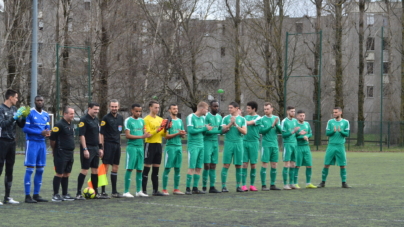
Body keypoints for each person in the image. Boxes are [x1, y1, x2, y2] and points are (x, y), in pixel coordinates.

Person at [75, 102, 107, 200]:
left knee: (95, 170)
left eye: (98, 109)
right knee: (85, 170)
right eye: (95, 109)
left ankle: (96, 193)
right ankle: (78, 193)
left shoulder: (96, 120)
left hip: (96, 148)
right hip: (87, 148)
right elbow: (82, 135)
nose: (96, 111)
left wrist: (100, 147)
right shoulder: (83, 120)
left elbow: (98, 134)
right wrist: (85, 149)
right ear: (89, 108)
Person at [0, 89, 26, 205]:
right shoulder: (1, 109)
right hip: (2, 141)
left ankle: (7, 197)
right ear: (10, 97)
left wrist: (24, 116)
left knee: (9, 169)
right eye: (16, 97)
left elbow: (21, 125)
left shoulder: (15, 109)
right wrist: (14, 118)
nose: (17, 99)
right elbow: (3, 124)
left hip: (12, 142)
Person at [23, 95, 51, 203]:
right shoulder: (30, 113)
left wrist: (47, 132)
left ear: (44, 102)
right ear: (35, 102)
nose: (40, 102)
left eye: (41, 100)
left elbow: (46, 128)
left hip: (42, 144)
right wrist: (40, 132)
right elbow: (25, 129)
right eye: (38, 100)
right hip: (32, 143)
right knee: (30, 169)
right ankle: (27, 196)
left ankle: (36, 194)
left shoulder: (46, 115)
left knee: (40, 169)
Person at [317, 107, 351, 188]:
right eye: (333, 112)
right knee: (326, 164)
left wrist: (341, 131)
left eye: (336, 112)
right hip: (331, 145)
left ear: (340, 112)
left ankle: (344, 183)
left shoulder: (346, 122)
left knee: (342, 165)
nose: (334, 114)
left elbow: (347, 134)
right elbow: (327, 133)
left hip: (340, 146)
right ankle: (323, 182)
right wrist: (333, 131)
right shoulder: (330, 122)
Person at [123, 104, 150, 198]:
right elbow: (127, 135)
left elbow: (145, 132)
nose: (138, 113)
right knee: (129, 168)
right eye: (136, 111)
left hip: (140, 147)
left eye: (140, 111)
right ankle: (126, 191)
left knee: (140, 169)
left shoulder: (142, 121)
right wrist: (141, 137)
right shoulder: (128, 120)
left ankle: (139, 191)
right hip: (132, 147)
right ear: (132, 111)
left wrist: (148, 134)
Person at [50, 106, 76, 202]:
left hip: (70, 153)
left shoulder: (72, 124)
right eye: (71, 113)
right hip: (61, 152)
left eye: (73, 113)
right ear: (65, 114)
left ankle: (65, 194)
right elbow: (52, 139)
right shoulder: (59, 125)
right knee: (59, 173)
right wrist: (55, 150)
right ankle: (55, 195)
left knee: (67, 173)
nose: (72, 115)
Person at [185, 101, 212, 195]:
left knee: (199, 167)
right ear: (202, 109)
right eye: (207, 109)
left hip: (201, 145)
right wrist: (205, 129)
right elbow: (191, 130)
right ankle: (188, 188)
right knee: (192, 167)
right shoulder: (190, 117)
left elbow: (203, 132)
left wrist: (207, 129)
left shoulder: (203, 118)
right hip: (193, 145)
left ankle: (195, 188)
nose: (207, 112)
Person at [100, 99, 124, 198]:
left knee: (115, 167)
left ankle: (114, 192)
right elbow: (101, 133)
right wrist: (101, 147)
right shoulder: (105, 118)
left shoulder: (120, 118)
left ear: (118, 107)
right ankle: (103, 192)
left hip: (117, 145)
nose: (114, 108)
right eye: (112, 106)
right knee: (105, 168)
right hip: (108, 145)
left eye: (116, 106)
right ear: (109, 107)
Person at [221, 102, 247, 192]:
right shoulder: (225, 118)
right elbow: (223, 131)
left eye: (231, 107)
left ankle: (238, 186)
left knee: (238, 165)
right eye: (229, 107)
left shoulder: (242, 119)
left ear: (236, 108)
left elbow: (244, 132)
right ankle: (223, 186)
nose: (229, 109)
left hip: (239, 143)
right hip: (228, 143)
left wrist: (235, 124)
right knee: (226, 164)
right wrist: (230, 124)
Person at [162, 104, 186, 195]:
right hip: (170, 147)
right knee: (167, 168)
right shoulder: (167, 121)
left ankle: (176, 189)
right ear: (169, 110)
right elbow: (166, 136)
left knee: (177, 168)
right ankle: (164, 189)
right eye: (173, 109)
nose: (176, 110)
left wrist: (182, 133)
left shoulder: (180, 121)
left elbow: (183, 136)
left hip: (179, 147)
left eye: (176, 108)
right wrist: (177, 133)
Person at [143, 101, 166, 196]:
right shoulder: (146, 119)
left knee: (156, 169)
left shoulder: (160, 119)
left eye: (158, 108)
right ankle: (143, 191)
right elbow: (148, 134)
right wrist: (159, 129)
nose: (157, 109)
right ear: (150, 108)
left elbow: (163, 134)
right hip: (150, 145)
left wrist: (166, 128)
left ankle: (155, 190)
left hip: (158, 145)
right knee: (147, 168)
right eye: (155, 107)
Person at [259, 102, 282, 191]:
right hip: (266, 144)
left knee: (274, 164)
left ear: (272, 109)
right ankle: (264, 185)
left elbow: (280, 131)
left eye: (268, 109)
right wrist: (271, 126)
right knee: (265, 163)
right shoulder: (262, 119)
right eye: (265, 109)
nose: (266, 111)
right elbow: (261, 131)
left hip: (274, 144)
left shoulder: (276, 118)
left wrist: (276, 124)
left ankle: (273, 184)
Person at [281, 106, 304, 190]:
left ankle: (291, 183)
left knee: (293, 164)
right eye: (291, 111)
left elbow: (295, 134)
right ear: (287, 112)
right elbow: (283, 135)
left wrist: (299, 133)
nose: (293, 113)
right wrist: (293, 131)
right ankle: (285, 184)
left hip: (295, 144)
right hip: (287, 144)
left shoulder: (295, 121)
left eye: (294, 111)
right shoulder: (284, 121)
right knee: (287, 164)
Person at [240, 101, 262, 192]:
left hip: (254, 143)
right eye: (246, 108)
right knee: (244, 164)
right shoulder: (245, 117)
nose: (247, 110)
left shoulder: (259, 118)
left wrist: (239, 117)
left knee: (253, 165)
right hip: (244, 142)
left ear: (254, 109)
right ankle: (243, 185)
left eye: (249, 108)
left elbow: (248, 123)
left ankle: (252, 185)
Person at [202, 100, 222, 193]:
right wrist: (219, 131)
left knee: (213, 164)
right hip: (207, 142)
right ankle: (204, 186)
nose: (216, 108)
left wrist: (227, 127)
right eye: (214, 106)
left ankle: (212, 187)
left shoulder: (219, 117)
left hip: (215, 143)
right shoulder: (206, 117)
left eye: (217, 106)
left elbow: (221, 128)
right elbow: (206, 131)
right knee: (206, 164)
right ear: (210, 107)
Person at [295, 110, 317, 189]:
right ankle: (295, 183)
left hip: (306, 147)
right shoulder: (295, 124)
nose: (302, 117)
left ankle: (308, 183)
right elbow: (294, 136)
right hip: (298, 147)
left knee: (309, 165)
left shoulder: (307, 124)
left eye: (303, 115)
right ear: (297, 116)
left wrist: (307, 136)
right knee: (297, 165)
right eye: (300, 116)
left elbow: (310, 133)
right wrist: (301, 136)